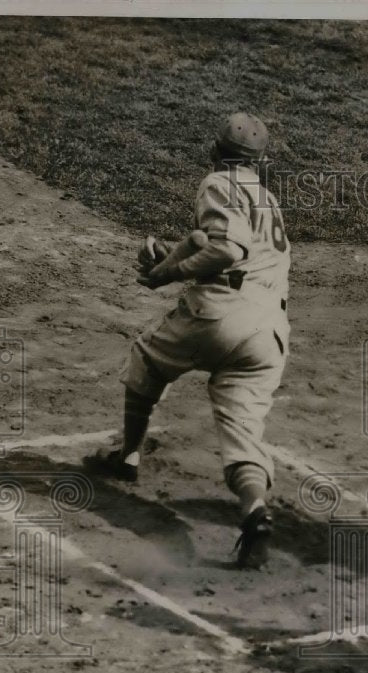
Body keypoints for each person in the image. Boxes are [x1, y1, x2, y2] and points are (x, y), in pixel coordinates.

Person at [84, 112, 291, 570]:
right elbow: (224, 245)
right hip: (269, 330)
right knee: (243, 431)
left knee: (147, 359)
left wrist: (169, 274)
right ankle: (255, 510)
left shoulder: (218, 181)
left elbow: (226, 249)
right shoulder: (268, 199)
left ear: (215, 151)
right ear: (262, 161)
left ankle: (128, 456)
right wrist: (174, 254)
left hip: (219, 314)